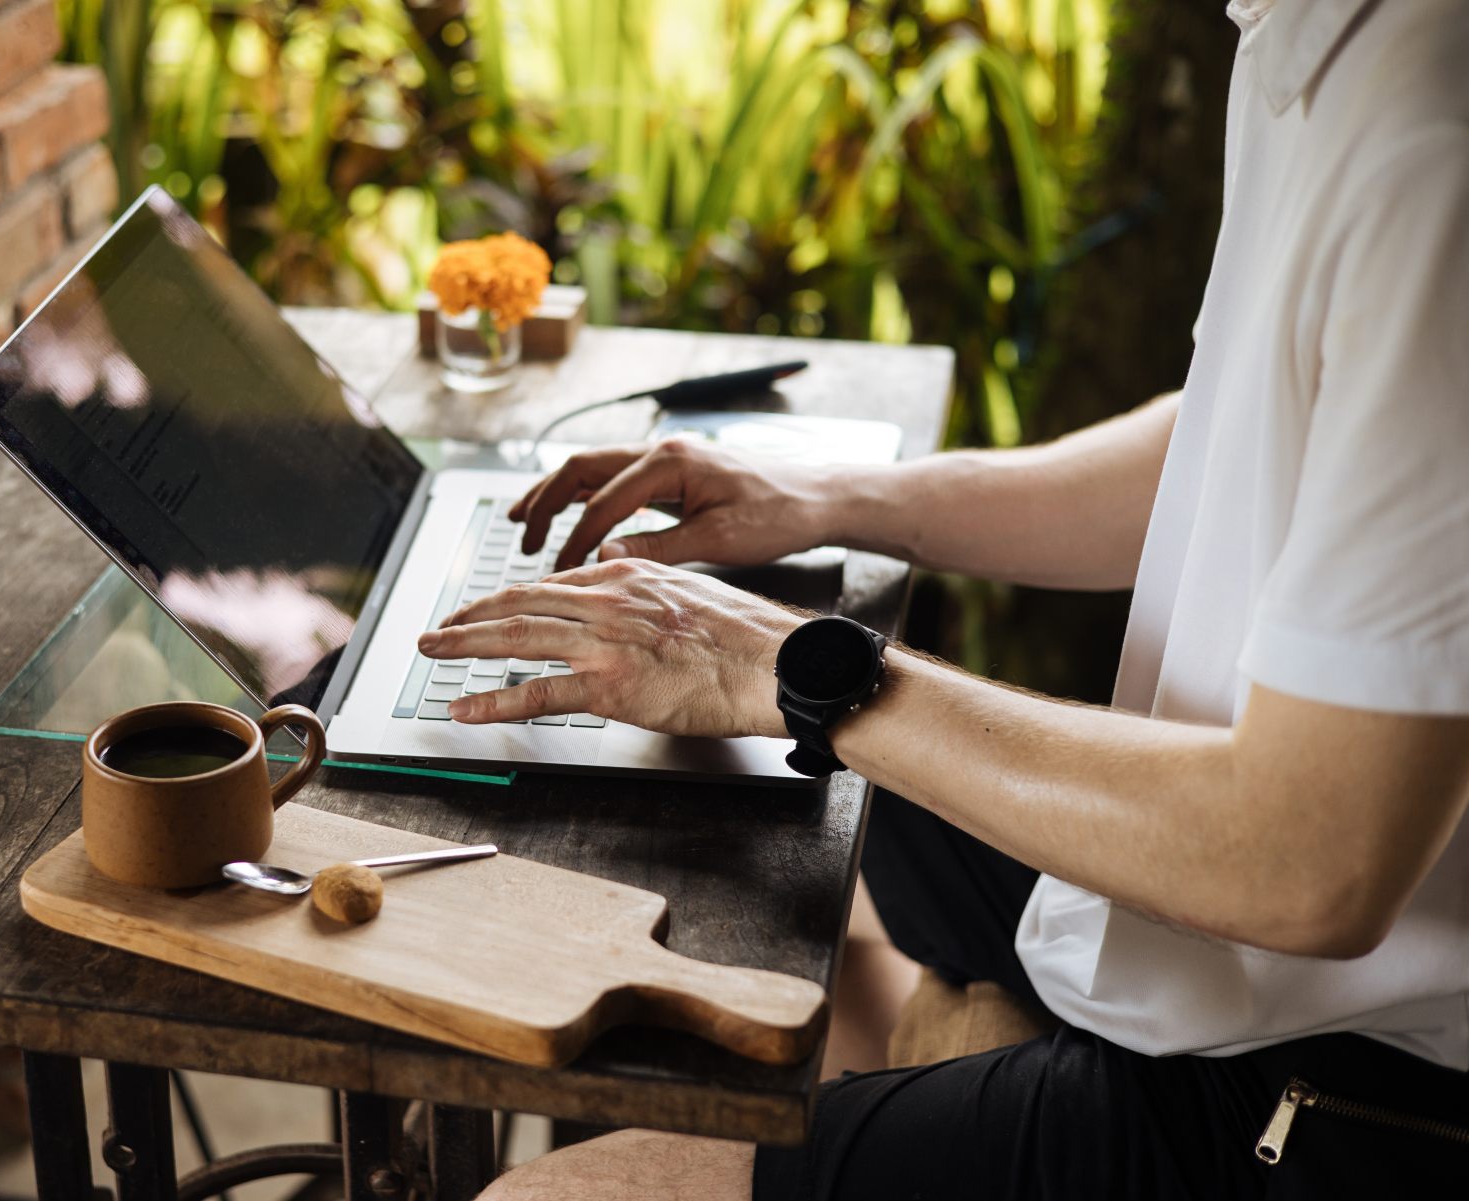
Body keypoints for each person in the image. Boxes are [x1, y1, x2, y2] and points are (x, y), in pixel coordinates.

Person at [415, 0, 1469, 1196]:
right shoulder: (1310, 38)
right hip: (1248, 928)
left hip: (1350, 1083)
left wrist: (800, 668)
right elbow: (1249, 432)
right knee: (810, 849)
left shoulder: (1433, 141)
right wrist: (836, 496)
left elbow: (1307, 860)